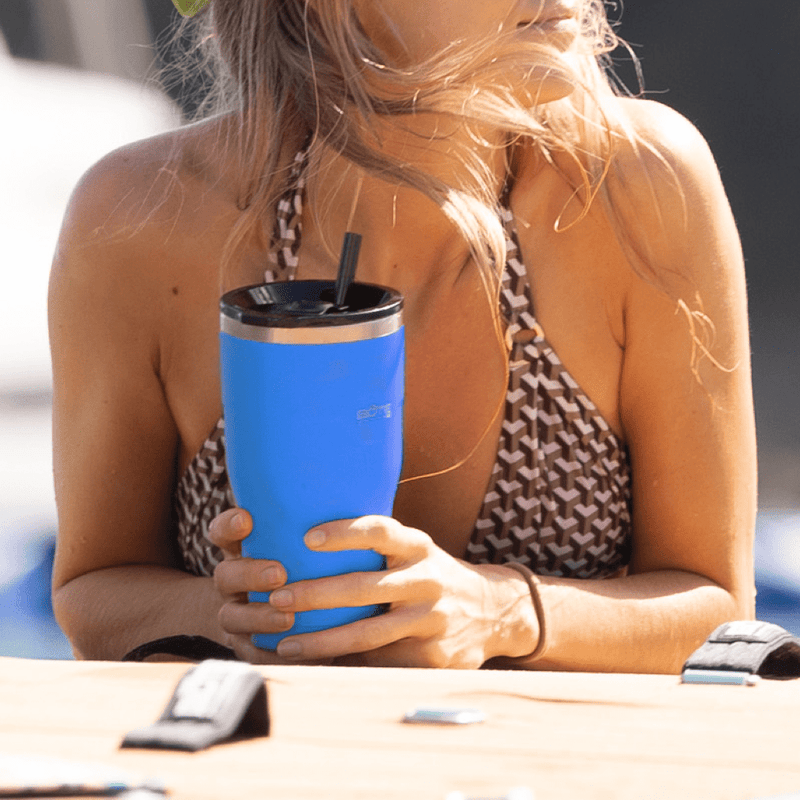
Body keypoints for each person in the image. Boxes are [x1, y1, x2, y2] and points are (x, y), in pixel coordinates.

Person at [48, 0, 756, 672]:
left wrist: (504, 613)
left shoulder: (638, 183)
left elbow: (720, 606)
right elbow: (92, 594)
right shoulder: (140, 219)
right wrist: (250, 614)